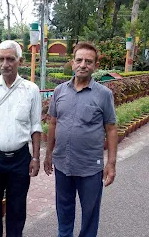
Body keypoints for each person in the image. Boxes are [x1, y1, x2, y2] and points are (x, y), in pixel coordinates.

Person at [44, 42, 118, 237]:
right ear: (72, 62)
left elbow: (111, 129)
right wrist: (48, 154)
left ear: (95, 66)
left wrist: (111, 163)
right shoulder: (59, 91)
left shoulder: (104, 95)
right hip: (62, 164)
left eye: (88, 61)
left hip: (90, 168)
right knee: (64, 209)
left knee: (90, 214)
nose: (83, 65)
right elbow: (53, 123)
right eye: (79, 60)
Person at [0, 40, 42, 237]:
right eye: (1, 59)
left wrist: (35, 158)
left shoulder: (31, 90)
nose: (5, 64)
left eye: (10, 59)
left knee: (17, 207)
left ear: (20, 61)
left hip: (20, 159)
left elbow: (36, 128)